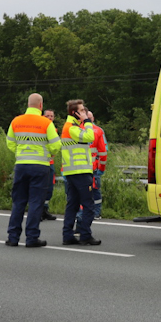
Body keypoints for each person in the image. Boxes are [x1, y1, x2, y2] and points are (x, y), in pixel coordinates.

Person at [5, 94, 61, 248]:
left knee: (18, 202)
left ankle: (13, 237)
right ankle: (31, 238)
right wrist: (48, 154)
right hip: (40, 166)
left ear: (28, 104)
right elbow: (56, 144)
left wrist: (20, 153)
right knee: (36, 202)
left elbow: (10, 143)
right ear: (41, 105)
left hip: (21, 165)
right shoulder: (46, 123)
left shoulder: (16, 121)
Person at [60, 99, 100, 245]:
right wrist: (87, 121)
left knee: (73, 204)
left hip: (73, 172)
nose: (85, 112)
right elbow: (90, 136)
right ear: (74, 113)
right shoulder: (71, 127)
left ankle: (68, 236)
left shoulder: (73, 126)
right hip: (80, 171)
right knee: (89, 205)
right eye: (82, 110)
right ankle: (85, 235)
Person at [87, 111, 108, 219]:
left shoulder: (98, 131)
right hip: (85, 167)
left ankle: (96, 212)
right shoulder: (79, 129)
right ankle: (87, 212)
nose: (89, 119)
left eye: (90, 117)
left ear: (93, 118)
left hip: (94, 167)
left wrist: (101, 167)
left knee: (95, 190)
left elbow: (104, 149)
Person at [41, 108, 57, 221]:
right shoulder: (41, 128)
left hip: (50, 162)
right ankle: (38, 211)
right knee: (41, 187)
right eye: (47, 116)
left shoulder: (53, 129)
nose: (50, 118)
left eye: (51, 116)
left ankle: (45, 209)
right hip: (42, 162)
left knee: (49, 188)